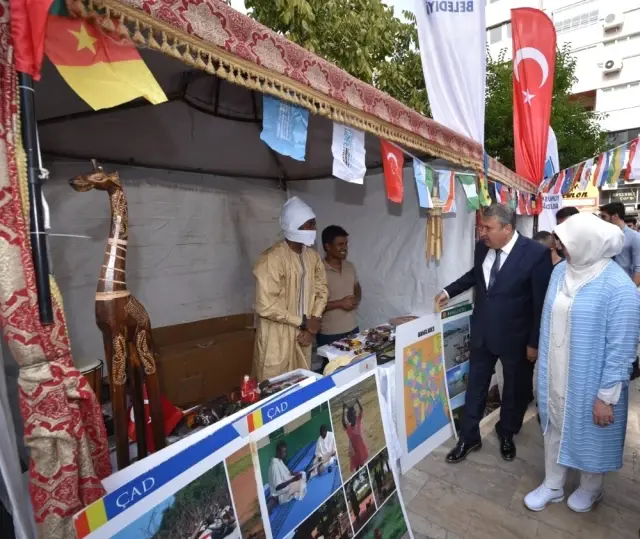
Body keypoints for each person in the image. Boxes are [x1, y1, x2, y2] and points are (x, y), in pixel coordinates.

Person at [524, 213, 640, 513]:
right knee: (554, 428)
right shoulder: (560, 271)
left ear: (586, 244)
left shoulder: (619, 288)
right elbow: (548, 321)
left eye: (564, 242)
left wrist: (606, 397)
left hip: (591, 378)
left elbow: (622, 348)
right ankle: (553, 485)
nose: (558, 247)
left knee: (592, 434)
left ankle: (591, 489)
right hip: (556, 371)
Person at [434, 203, 553, 463]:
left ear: (507, 229)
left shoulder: (535, 254)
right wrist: (447, 291)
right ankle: (469, 437)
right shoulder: (483, 248)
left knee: (514, 389)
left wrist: (534, 342)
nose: (482, 233)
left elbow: (540, 303)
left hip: (516, 339)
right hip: (483, 334)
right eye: (481, 226)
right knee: (475, 387)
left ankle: (507, 432)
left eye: (487, 228)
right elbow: (475, 276)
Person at [253, 197, 329, 380]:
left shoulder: (313, 257)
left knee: (301, 383)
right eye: (309, 224)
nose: (314, 230)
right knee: (273, 387)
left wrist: (312, 326)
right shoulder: (272, 259)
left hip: (303, 335)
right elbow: (265, 305)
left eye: (314, 224)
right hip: (276, 336)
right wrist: (303, 322)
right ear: (294, 225)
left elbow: (322, 290)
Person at [317, 225, 361, 347]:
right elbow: (312, 305)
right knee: (332, 366)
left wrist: (356, 298)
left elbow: (357, 286)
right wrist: (340, 303)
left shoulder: (349, 266)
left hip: (353, 329)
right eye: (340, 244)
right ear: (328, 246)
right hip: (330, 333)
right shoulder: (318, 271)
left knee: (355, 364)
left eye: (346, 244)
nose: (345, 248)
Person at [599, 202, 640, 285]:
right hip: (607, 283)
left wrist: (631, 291)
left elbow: (638, 267)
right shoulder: (604, 236)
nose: (602, 220)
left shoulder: (635, 237)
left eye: (604, 216)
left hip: (625, 283)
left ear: (615, 216)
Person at [342, 399, 369, 472]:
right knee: (357, 466)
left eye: (354, 414)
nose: (354, 415)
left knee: (361, 464)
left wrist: (357, 402)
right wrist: (344, 410)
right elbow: (344, 422)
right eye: (353, 415)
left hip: (360, 449)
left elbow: (361, 409)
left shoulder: (355, 423)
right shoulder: (350, 428)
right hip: (356, 451)